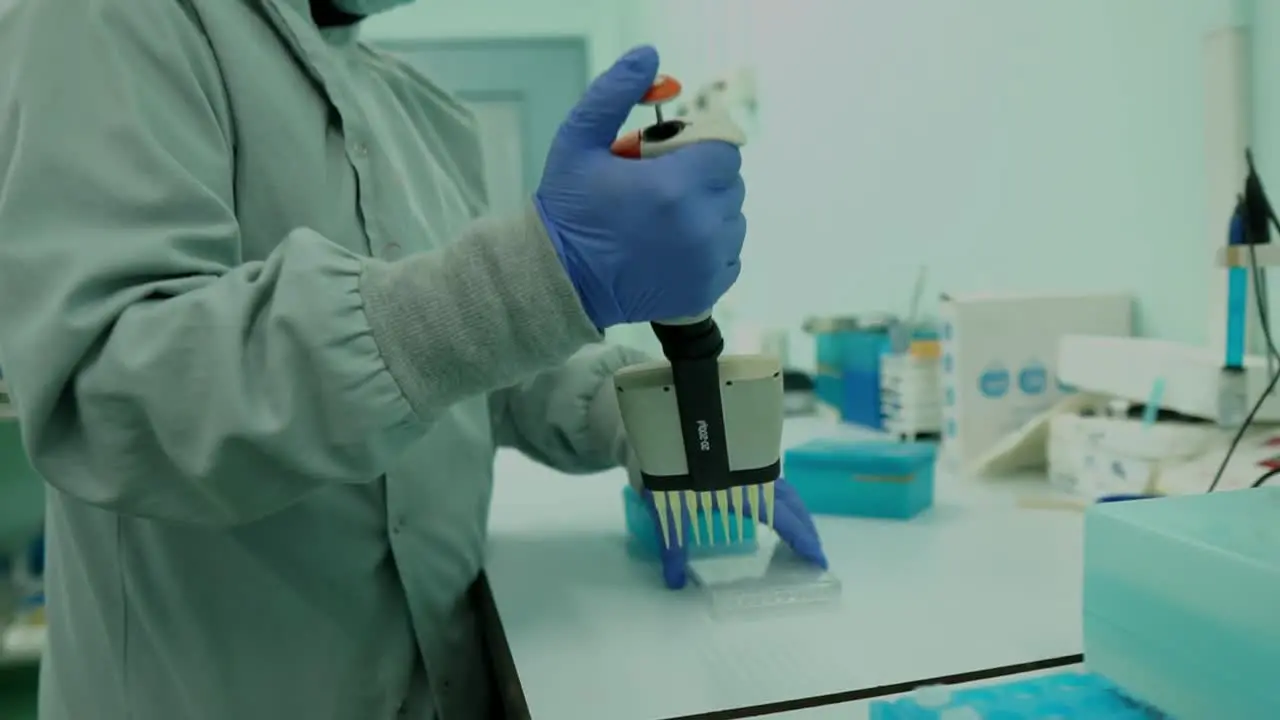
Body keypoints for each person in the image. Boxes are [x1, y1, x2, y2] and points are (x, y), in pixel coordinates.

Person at [0, 0, 825, 718]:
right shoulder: (108, 17)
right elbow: (111, 396)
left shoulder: (421, 111)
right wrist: (534, 276)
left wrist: (637, 423)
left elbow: (485, 377)